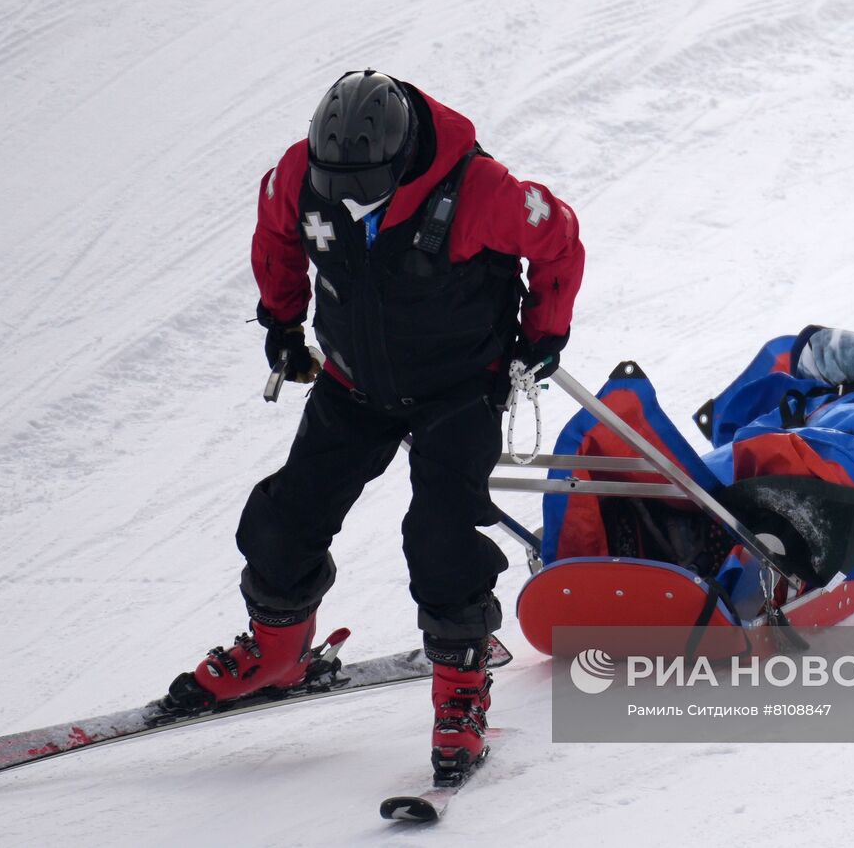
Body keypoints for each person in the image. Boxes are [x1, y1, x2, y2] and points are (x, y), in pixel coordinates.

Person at [168, 70, 584, 776]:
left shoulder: (479, 190)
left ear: (402, 159)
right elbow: (274, 235)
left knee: (441, 534)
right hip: (354, 381)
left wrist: (543, 333)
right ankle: (277, 652)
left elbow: (559, 238)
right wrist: (281, 319)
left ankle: (460, 688)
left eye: (364, 185)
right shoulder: (300, 177)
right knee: (285, 514)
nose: (346, 198)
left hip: (458, 386)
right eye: (335, 183)